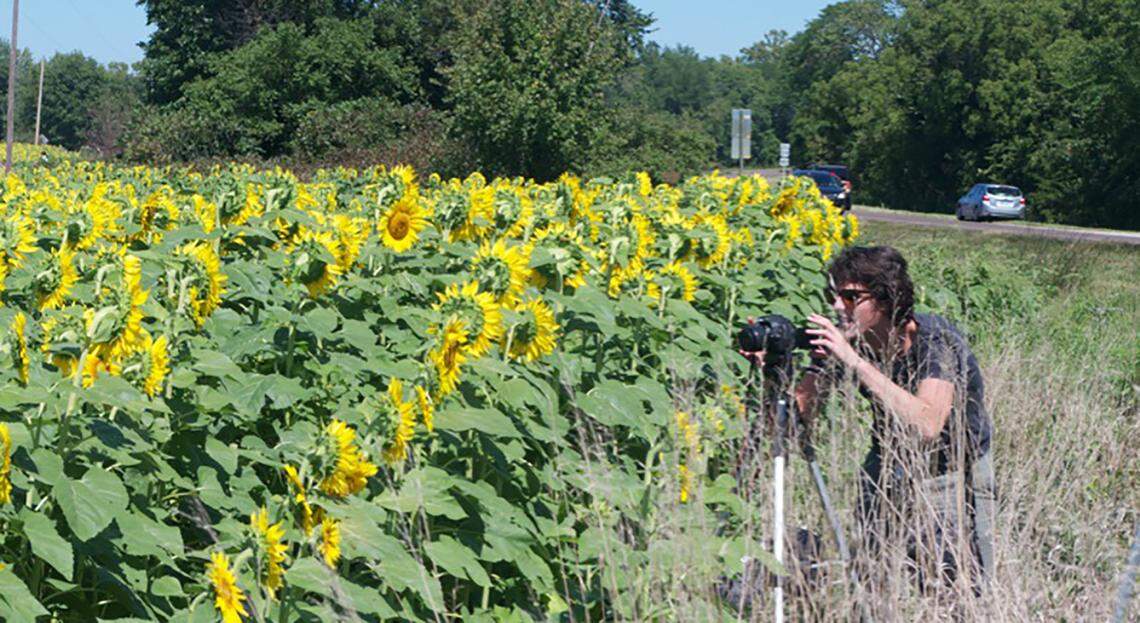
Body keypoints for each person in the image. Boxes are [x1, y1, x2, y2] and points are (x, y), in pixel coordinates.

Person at [741, 245, 995, 593]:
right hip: (887, 463)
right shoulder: (851, 341)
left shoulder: (935, 341)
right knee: (872, 575)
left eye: (850, 297)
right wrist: (776, 371)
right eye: (833, 296)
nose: (836, 307)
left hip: (951, 470)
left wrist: (854, 362)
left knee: (956, 587)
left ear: (886, 298)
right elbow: (795, 421)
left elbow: (928, 425)